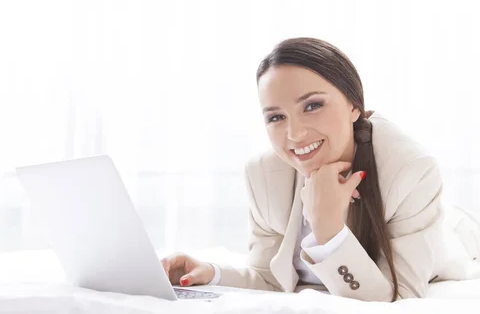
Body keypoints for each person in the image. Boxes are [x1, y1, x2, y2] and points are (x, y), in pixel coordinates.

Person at [160, 37, 480, 302]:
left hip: (453, 236)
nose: (295, 134)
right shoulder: (263, 176)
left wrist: (328, 231)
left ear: (354, 105)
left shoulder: (411, 171)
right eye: (276, 117)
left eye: (312, 106)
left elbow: (398, 298)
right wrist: (210, 272)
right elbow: (271, 276)